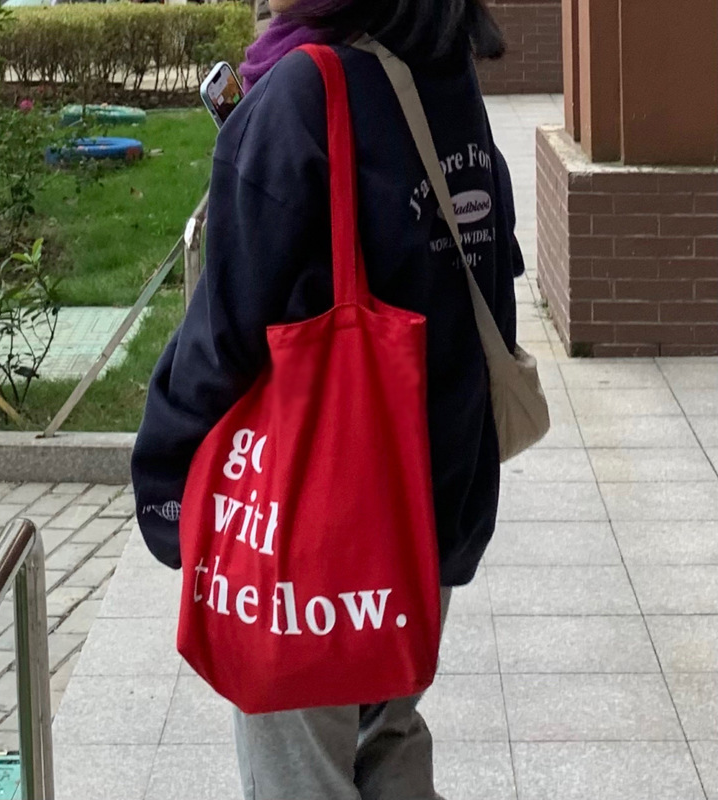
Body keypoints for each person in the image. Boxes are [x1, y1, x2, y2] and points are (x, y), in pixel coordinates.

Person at [132, 0, 522, 797]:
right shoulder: (442, 73)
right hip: (430, 504)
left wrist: (167, 486)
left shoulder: (302, 93)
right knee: (389, 734)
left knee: (302, 774)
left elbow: (222, 336)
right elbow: (486, 273)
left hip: (317, 536)